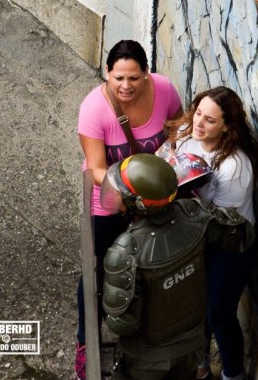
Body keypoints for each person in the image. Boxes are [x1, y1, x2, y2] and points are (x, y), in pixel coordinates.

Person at [75, 39, 183, 378]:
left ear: (147, 74)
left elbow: (178, 126)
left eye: (134, 78)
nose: (126, 85)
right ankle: (85, 342)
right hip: (110, 202)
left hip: (154, 199)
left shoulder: (164, 89)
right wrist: (131, 195)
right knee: (99, 269)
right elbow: (95, 169)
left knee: (151, 267)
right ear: (107, 73)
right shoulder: (94, 109)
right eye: (118, 77)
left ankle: (143, 334)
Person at [100, 153, 255, 380]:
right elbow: (243, 235)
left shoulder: (126, 251)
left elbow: (122, 324)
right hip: (192, 346)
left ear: (139, 204)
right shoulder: (195, 214)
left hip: (148, 361)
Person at [163, 86, 258, 380]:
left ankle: (233, 374)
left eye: (209, 120)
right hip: (198, 236)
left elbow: (221, 221)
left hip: (231, 244)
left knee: (218, 315)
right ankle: (201, 367)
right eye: (198, 113)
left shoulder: (234, 165)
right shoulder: (188, 138)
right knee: (195, 310)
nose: (198, 123)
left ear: (226, 127)